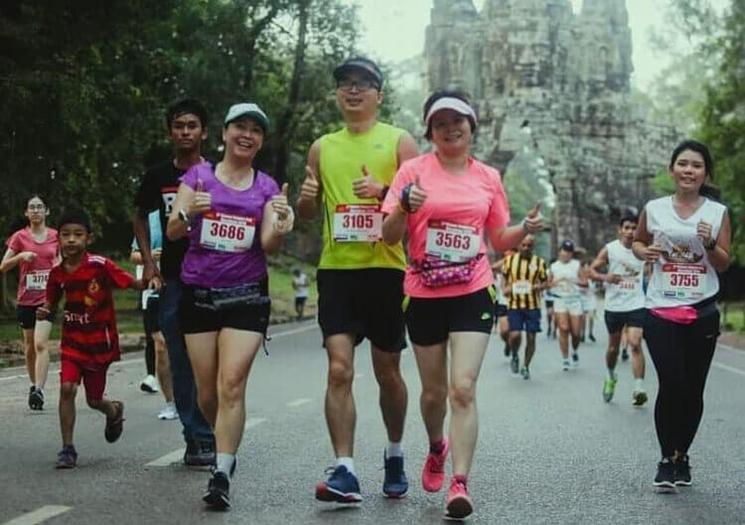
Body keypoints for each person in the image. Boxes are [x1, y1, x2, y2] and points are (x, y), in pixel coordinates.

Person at [381, 90, 543, 519]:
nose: (450, 128)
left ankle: (460, 481)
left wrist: (523, 227)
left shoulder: (488, 177)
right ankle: (437, 446)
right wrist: (402, 205)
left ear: (472, 128)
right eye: (440, 122)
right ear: (431, 130)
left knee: (462, 388)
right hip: (423, 291)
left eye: (459, 121)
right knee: (433, 393)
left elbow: (499, 239)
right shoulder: (412, 172)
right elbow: (388, 235)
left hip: (473, 288)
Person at [297, 57, 419, 503]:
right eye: (346, 84)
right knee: (339, 368)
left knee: (388, 372)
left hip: (386, 270)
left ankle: (395, 452)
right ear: (337, 94)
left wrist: (385, 193)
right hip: (338, 271)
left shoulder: (399, 142)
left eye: (363, 85)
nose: (353, 91)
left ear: (379, 94)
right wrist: (305, 199)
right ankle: (345, 468)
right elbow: (309, 214)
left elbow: (420, 203)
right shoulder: (321, 147)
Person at [167, 102, 293, 509]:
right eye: (240, 126)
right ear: (223, 133)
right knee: (208, 394)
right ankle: (223, 437)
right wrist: (189, 212)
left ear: (260, 141)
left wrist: (282, 224)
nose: (247, 134)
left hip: (246, 297)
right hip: (199, 295)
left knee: (231, 383)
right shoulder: (198, 176)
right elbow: (172, 230)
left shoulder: (267, 188)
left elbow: (268, 244)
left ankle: (221, 471)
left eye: (256, 130)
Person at [632, 140, 730, 491]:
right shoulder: (655, 208)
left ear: (705, 173)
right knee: (672, 383)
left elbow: (723, 262)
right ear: (672, 169)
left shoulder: (717, 213)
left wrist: (707, 244)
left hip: (702, 309)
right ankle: (665, 458)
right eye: (683, 164)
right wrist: (648, 251)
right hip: (661, 307)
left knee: (693, 390)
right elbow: (638, 242)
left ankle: (681, 456)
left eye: (697, 166)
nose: (689, 171)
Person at [133, 99, 215, 465]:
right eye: (179, 125)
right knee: (180, 360)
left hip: (214, 280)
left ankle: (216, 431)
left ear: (204, 132)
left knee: (212, 362)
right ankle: (195, 436)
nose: (185, 131)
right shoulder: (159, 175)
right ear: (171, 132)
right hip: (174, 281)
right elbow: (138, 214)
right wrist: (150, 263)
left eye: (192, 125)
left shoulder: (218, 174)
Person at [37, 209, 144, 468]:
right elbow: (50, 302)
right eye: (65, 235)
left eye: (78, 234)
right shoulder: (57, 274)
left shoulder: (100, 265)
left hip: (99, 343)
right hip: (72, 342)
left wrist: (151, 281)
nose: (71, 240)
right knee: (67, 389)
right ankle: (67, 449)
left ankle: (113, 410)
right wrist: (45, 309)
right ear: (58, 239)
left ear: (89, 238)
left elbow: (129, 282)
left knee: (94, 399)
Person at [1, 195, 58, 410]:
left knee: (41, 343)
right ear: (26, 213)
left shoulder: (55, 236)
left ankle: (39, 390)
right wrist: (20, 257)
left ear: (46, 211)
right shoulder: (19, 237)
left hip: (48, 299)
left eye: (39, 207)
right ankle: (33, 384)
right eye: (32, 208)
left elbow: (62, 261)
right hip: (26, 298)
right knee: (29, 346)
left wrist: (57, 268)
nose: (35, 211)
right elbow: (3, 266)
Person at [590, 215, 648, 406]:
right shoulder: (611, 249)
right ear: (620, 230)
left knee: (635, 343)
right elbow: (591, 270)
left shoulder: (642, 249)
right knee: (613, 347)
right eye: (627, 228)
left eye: (634, 228)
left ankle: (639, 388)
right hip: (614, 306)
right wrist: (605, 277)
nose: (631, 232)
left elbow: (652, 268)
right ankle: (609, 375)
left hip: (637, 303)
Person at [130, 210, 177, 420]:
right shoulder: (149, 219)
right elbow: (133, 255)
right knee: (160, 345)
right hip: (154, 289)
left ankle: (190, 395)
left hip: (183, 288)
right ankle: (171, 403)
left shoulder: (188, 213)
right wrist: (150, 257)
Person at [502, 234, 548, 380]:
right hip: (514, 305)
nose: (526, 248)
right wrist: (506, 289)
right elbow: (504, 281)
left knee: (531, 338)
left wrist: (538, 287)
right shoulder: (509, 261)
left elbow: (545, 282)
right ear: (519, 245)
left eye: (529, 246)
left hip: (533, 306)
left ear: (533, 247)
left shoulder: (539, 262)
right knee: (515, 335)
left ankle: (526, 366)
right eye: (524, 245)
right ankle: (515, 354)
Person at [548, 240, 584, 370]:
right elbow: (547, 284)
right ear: (560, 251)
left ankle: (574, 350)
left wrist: (576, 281)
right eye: (564, 251)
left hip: (574, 300)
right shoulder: (554, 266)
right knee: (563, 328)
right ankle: (565, 358)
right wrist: (558, 281)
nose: (566, 254)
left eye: (569, 252)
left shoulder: (576, 265)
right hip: (560, 299)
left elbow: (585, 282)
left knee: (576, 333)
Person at [491, 256, 511, 358]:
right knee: (504, 331)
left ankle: (514, 351)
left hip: (518, 303)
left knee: (515, 332)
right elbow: (492, 268)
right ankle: (508, 343)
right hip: (503, 302)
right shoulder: (504, 267)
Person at [578, 260, 597, 343]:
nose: (587, 268)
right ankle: (582, 334)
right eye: (585, 267)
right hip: (581, 299)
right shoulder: (579, 276)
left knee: (592, 316)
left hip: (591, 298)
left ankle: (590, 333)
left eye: (588, 267)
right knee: (583, 317)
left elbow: (596, 285)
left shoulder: (593, 275)